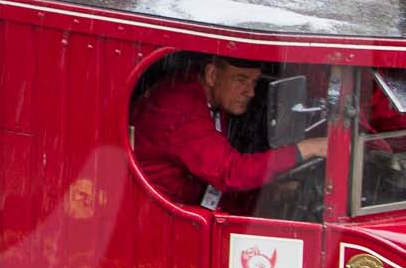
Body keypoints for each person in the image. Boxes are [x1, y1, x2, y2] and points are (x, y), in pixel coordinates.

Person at [131, 56, 328, 210]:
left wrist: (270, 195)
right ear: (212, 75)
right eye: (241, 80)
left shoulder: (211, 100)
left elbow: (216, 181)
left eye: (254, 82)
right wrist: (305, 149)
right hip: (160, 220)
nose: (250, 92)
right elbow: (231, 174)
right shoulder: (181, 109)